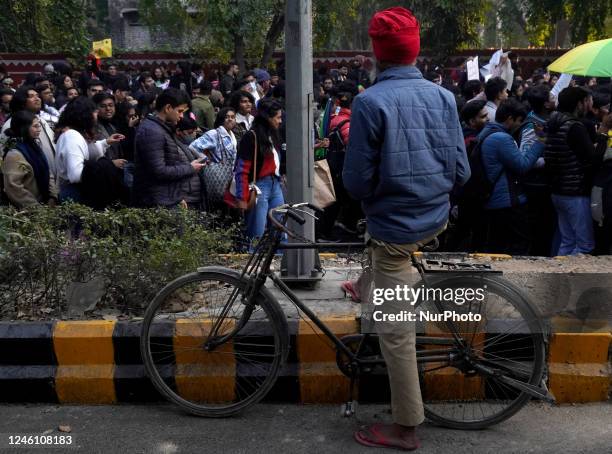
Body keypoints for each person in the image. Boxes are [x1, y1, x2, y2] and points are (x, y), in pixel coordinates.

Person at [343, 7, 469, 450]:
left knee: (395, 333)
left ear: (378, 54)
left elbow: (356, 182)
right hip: (434, 218)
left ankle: (406, 428)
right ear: (414, 50)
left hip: (395, 231)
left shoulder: (369, 102)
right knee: (380, 251)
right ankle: (365, 283)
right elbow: (462, 172)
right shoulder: (444, 97)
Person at [545, 87, 611, 255]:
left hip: (558, 190)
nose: (590, 104)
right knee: (584, 245)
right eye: (588, 100)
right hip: (575, 191)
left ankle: (558, 278)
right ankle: (574, 280)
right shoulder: (574, 126)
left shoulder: (553, 121)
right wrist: (603, 130)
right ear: (579, 103)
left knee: (567, 242)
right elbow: (593, 160)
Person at [479, 99, 544, 254]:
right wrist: (540, 142)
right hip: (507, 200)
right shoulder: (501, 138)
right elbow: (522, 165)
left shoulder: (489, 131)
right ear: (510, 118)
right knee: (517, 244)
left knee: (498, 245)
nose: (519, 125)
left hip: (496, 199)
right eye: (519, 121)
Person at [133, 88, 205, 208]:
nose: (182, 116)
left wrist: (177, 197)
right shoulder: (152, 131)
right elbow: (159, 171)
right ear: (168, 108)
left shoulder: (159, 128)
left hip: (165, 200)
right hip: (157, 205)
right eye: (180, 111)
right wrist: (190, 168)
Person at [55, 96, 124, 203]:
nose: (96, 115)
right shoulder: (71, 136)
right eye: (94, 112)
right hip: (75, 194)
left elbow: (86, 150)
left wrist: (105, 143)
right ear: (85, 114)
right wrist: (108, 165)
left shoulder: (78, 133)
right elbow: (76, 175)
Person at [234, 98, 285, 242]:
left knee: (280, 229)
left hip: (275, 184)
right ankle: (253, 260)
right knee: (257, 231)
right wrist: (242, 198)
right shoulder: (251, 137)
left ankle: (278, 259)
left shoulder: (273, 134)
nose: (280, 121)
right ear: (268, 118)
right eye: (278, 118)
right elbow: (242, 170)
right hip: (259, 186)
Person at [517, 84, 556, 256]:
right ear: (546, 104)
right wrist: (550, 161)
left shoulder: (546, 119)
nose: (555, 99)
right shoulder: (530, 126)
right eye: (551, 97)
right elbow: (526, 159)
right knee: (539, 226)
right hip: (535, 184)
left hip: (542, 183)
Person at [2, 111, 57, 208]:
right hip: (31, 212)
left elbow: (48, 172)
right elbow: (14, 188)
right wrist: (37, 209)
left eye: (39, 125)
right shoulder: (14, 155)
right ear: (24, 128)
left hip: (46, 206)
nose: (39, 129)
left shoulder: (34, 146)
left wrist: (52, 197)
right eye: (35, 126)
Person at [190, 107, 238, 211]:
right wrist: (206, 159)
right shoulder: (214, 133)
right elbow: (193, 146)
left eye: (233, 117)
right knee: (219, 206)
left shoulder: (232, 134)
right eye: (227, 117)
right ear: (221, 119)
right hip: (218, 174)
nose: (230, 119)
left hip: (231, 176)